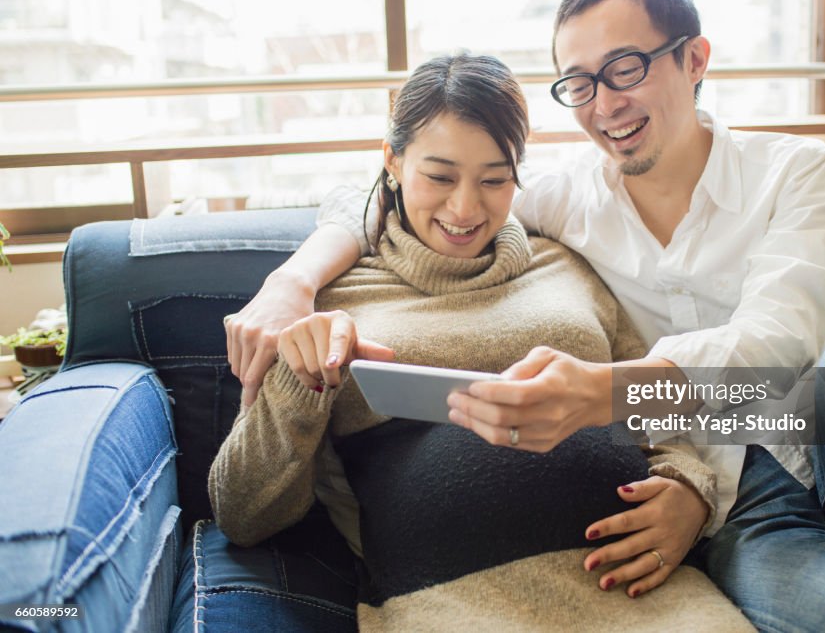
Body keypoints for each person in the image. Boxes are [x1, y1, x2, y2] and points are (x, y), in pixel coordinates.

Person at [225, 0, 825, 631]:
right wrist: (291, 280)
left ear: (696, 58)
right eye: (580, 83)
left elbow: (778, 348)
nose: (605, 104)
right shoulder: (558, 201)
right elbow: (401, 194)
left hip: (821, 434)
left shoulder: (799, 172)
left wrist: (604, 394)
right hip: (742, 511)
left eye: (627, 69)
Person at [209, 53, 753, 630]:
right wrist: (303, 377)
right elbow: (241, 512)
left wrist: (689, 489)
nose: (465, 208)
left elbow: (653, 401)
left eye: (495, 179)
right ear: (392, 160)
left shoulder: (565, 264)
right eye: (439, 176)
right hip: (455, 605)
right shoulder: (330, 300)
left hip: (648, 589)